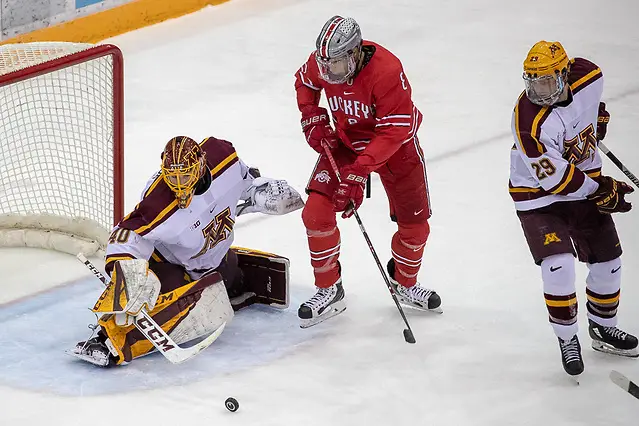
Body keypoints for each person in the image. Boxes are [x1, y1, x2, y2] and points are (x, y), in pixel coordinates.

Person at [70, 136, 304, 366]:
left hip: (213, 257)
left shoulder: (223, 158)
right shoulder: (158, 203)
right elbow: (127, 234)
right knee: (174, 304)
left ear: (202, 164)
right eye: (172, 177)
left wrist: (261, 191)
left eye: (185, 175)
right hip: (171, 264)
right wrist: (127, 271)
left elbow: (245, 181)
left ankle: (226, 281)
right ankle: (107, 340)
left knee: (231, 280)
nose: (180, 184)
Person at [294, 15, 442, 328]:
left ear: (355, 53)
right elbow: (305, 82)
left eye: (334, 66)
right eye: (324, 64)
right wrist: (313, 118)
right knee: (315, 215)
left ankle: (405, 282)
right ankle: (329, 289)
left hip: (396, 148)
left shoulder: (387, 71)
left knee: (415, 229)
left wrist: (358, 173)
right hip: (346, 143)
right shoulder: (325, 62)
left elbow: (392, 132)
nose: (327, 74)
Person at [510, 40, 638, 377]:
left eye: (547, 81)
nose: (539, 91)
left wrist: (598, 118)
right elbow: (556, 181)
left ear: (565, 74)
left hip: (584, 185)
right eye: (533, 82)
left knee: (609, 262)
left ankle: (603, 328)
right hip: (538, 197)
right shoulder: (528, 121)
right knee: (559, 264)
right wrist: (603, 188)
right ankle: (567, 338)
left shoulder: (589, 74)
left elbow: (591, 105)